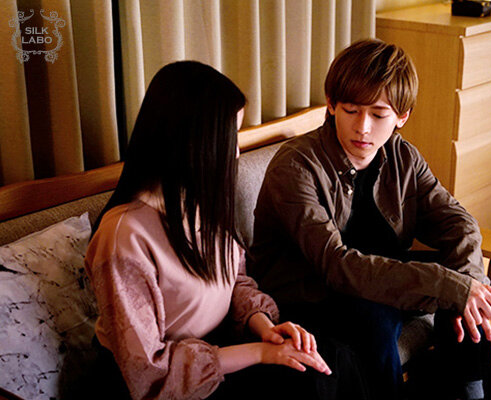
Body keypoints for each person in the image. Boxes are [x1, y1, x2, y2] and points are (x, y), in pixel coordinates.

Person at [84, 61, 369, 400]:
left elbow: (233, 280)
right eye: (229, 137)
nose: (235, 152)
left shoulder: (199, 203)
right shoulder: (124, 235)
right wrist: (262, 353)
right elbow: (149, 371)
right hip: (164, 383)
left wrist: (265, 328)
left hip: (218, 350)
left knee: (333, 357)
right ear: (191, 142)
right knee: (308, 384)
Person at [249, 39, 491, 400]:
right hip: (312, 291)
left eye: (378, 114)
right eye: (351, 110)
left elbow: (458, 223)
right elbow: (335, 265)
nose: (363, 128)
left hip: (382, 275)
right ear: (331, 105)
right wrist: (449, 286)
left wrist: (468, 283)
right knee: (380, 316)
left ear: (402, 116)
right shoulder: (296, 166)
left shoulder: (403, 157)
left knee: (460, 283)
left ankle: (469, 391)